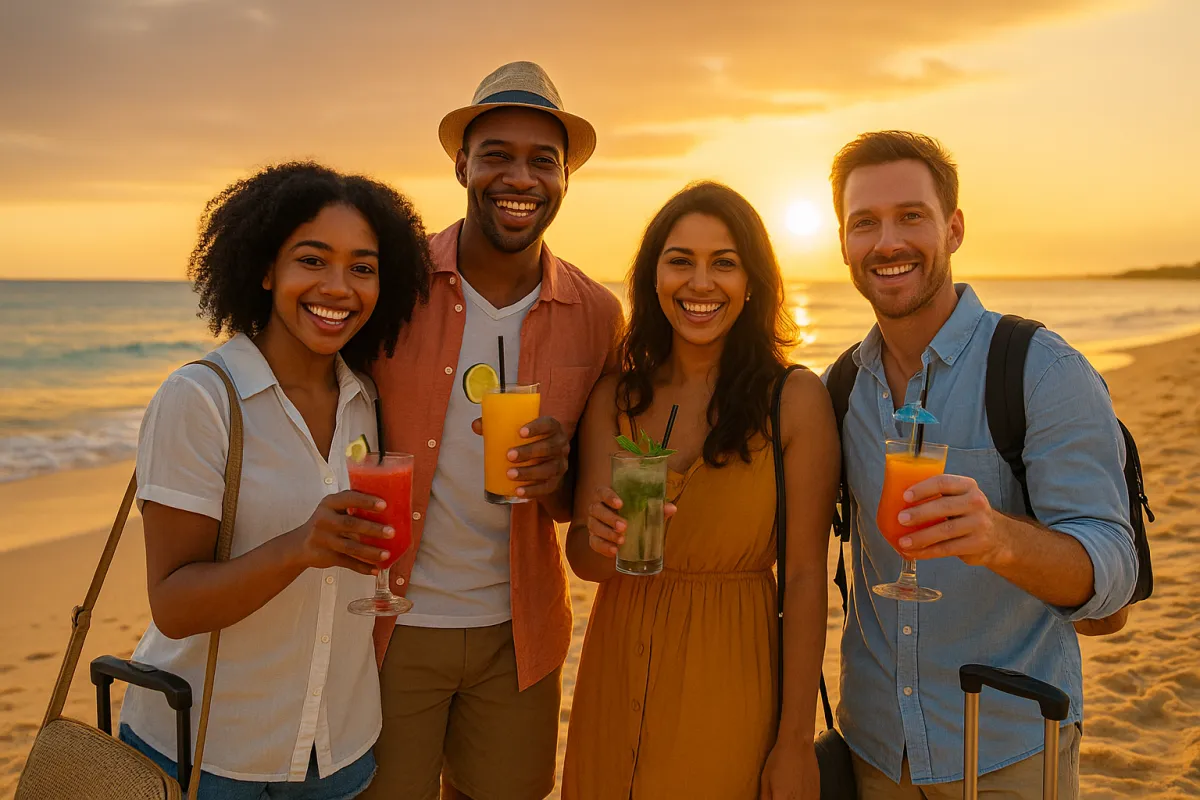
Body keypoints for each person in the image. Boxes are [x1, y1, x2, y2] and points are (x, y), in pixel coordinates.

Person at [825, 131, 1139, 799]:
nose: (888, 242)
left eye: (912, 215)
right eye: (865, 223)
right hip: (875, 748)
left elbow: (1113, 576)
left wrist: (997, 539)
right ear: (844, 243)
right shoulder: (840, 388)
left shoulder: (1039, 370)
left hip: (1008, 748)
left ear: (954, 228)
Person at [119, 162, 432, 797]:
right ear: (266, 271)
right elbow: (174, 607)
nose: (338, 287)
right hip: (209, 754)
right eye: (312, 260)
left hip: (338, 752)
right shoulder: (202, 399)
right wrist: (300, 548)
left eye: (362, 267)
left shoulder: (366, 400)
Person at [363, 62, 623, 800]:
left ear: (567, 179)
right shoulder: (391, 284)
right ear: (461, 166)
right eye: (497, 154)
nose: (521, 177)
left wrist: (562, 474)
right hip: (391, 623)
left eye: (544, 161)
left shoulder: (598, 316)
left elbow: (580, 501)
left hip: (521, 634)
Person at [561, 182, 840, 799]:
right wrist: (602, 540)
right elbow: (584, 558)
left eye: (724, 263)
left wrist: (795, 739)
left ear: (752, 281)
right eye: (680, 260)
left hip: (730, 669)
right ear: (653, 276)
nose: (700, 283)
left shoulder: (792, 400)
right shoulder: (615, 396)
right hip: (615, 661)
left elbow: (802, 578)